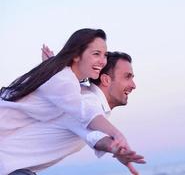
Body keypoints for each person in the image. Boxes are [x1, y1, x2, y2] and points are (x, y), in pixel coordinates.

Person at [0, 49, 145, 174]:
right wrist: (115, 148)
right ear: (106, 80)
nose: (134, 85)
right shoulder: (87, 101)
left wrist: (53, 65)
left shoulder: (80, 96)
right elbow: (94, 137)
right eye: (127, 77)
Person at [0, 28, 130, 150]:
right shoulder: (63, 80)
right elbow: (85, 113)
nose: (102, 61)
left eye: (104, 55)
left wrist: (51, 61)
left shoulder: (60, 75)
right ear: (76, 55)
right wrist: (117, 134)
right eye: (96, 54)